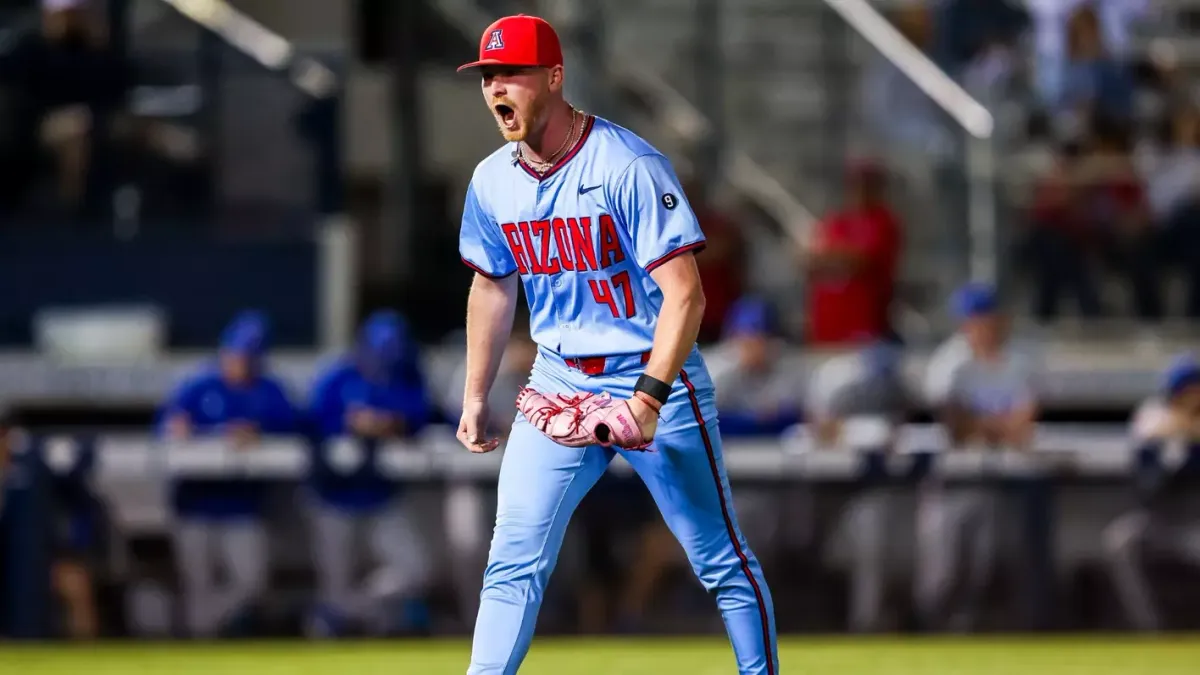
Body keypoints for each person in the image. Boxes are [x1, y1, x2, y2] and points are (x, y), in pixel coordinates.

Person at [454, 15, 777, 674]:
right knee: (513, 556)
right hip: (558, 379)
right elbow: (492, 285)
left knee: (719, 559)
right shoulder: (492, 180)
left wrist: (650, 398)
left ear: (553, 77)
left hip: (650, 372)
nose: (496, 89)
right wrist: (475, 393)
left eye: (511, 72)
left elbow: (686, 294)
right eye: (488, 76)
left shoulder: (624, 164)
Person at [157, 310, 298, 637]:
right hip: (195, 502)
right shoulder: (197, 384)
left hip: (242, 505)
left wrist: (259, 433)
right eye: (236, 355)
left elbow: (294, 426)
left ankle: (202, 625)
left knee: (251, 583)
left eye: (249, 357)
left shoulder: (268, 390)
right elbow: (167, 427)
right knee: (197, 583)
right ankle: (197, 639)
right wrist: (185, 429)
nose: (241, 363)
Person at [304, 310, 434, 637]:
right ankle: (336, 621)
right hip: (333, 495)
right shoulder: (337, 377)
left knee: (416, 570)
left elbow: (422, 414)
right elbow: (308, 421)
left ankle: (343, 609)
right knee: (334, 578)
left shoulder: (407, 374)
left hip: (381, 495)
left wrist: (391, 422)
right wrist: (348, 424)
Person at [919, 283, 1041, 631]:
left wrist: (985, 425)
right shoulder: (949, 361)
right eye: (976, 321)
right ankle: (932, 635)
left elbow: (1026, 419)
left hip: (1002, 479)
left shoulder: (1018, 360)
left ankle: (976, 630)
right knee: (943, 569)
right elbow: (953, 422)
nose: (985, 327)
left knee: (989, 562)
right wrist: (997, 425)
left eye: (990, 319)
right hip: (951, 476)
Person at [807, 342, 910, 632]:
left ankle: (869, 624)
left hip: (881, 493)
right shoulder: (836, 384)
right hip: (827, 495)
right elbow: (819, 429)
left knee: (874, 557)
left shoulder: (896, 400)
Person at [1103, 354, 1200, 632]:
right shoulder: (1157, 429)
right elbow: (1147, 490)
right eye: (1185, 394)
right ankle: (1154, 629)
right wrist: (1174, 448)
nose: (1191, 400)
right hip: (1166, 522)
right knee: (1123, 539)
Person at [801, 159, 902, 346]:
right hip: (825, 327)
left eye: (867, 184)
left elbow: (861, 261)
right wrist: (839, 256)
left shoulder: (884, 221)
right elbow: (809, 262)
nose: (860, 190)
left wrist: (830, 257)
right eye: (855, 184)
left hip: (865, 329)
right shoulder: (837, 220)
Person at [706, 296, 803, 437]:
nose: (753, 346)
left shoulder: (786, 368)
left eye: (760, 338)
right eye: (745, 338)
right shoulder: (714, 369)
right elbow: (703, 419)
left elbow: (797, 417)